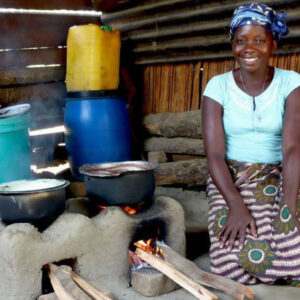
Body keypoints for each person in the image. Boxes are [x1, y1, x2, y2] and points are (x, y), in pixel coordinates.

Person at [202, 3, 300, 286]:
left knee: (289, 237)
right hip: (232, 177)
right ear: (233, 45)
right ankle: (279, 273)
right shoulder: (217, 87)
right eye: (241, 40)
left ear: (273, 44)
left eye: (259, 40)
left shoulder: (291, 83)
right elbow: (215, 155)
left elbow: (293, 148)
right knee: (227, 261)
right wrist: (235, 205)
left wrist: (289, 204)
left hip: (281, 173)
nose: (249, 48)